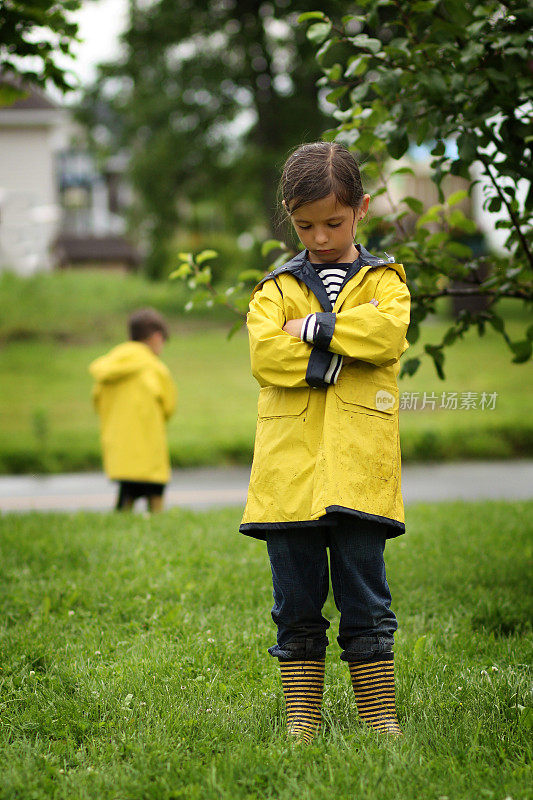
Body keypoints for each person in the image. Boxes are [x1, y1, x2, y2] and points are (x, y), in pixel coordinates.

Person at [240, 142, 411, 741]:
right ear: (289, 216)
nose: (319, 237)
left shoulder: (386, 281)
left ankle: (379, 713)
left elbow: (386, 334)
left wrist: (311, 329)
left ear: (361, 209)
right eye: (305, 224)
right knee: (296, 600)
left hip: (362, 469)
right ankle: (303, 719)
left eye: (333, 223)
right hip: (289, 476)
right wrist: (336, 359)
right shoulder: (275, 287)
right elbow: (265, 353)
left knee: (366, 595)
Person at [89, 308, 177, 513]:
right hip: (149, 455)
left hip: (120, 455)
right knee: (156, 499)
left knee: (125, 497)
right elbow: (169, 406)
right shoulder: (155, 369)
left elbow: (97, 402)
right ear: (156, 337)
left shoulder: (109, 367)